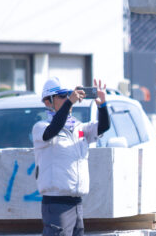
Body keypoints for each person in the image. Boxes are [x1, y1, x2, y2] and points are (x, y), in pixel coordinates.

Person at [32, 77, 110, 236]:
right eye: (62, 96)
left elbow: (103, 126)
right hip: (56, 203)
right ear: (48, 102)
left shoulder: (78, 128)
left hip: (76, 203)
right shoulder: (41, 127)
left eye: (69, 94)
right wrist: (70, 102)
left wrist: (102, 105)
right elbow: (53, 130)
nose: (68, 98)